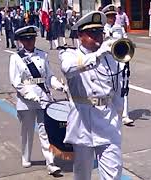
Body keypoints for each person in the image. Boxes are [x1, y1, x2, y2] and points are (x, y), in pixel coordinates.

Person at [59, 11, 124, 180]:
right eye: (92, 33)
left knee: (113, 173)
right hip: (82, 124)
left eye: (100, 32)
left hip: (107, 122)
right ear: (80, 35)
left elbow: (117, 91)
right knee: (82, 173)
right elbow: (68, 69)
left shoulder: (111, 58)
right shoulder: (70, 54)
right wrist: (97, 55)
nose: (98, 37)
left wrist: (118, 116)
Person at [9, 25, 67, 176]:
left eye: (32, 39)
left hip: (43, 98)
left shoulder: (43, 55)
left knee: (45, 132)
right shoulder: (16, 58)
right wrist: (29, 95)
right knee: (27, 130)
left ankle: (51, 163)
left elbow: (49, 77)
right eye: (26, 40)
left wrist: (59, 86)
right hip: (26, 100)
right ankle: (26, 156)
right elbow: (16, 82)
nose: (30, 42)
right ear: (21, 41)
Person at [102, 4, 134, 125]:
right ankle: (109, 113)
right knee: (108, 88)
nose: (112, 18)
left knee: (123, 88)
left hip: (121, 61)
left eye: (114, 16)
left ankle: (125, 115)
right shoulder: (101, 29)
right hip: (107, 62)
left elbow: (126, 40)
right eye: (110, 16)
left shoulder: (119, 28)